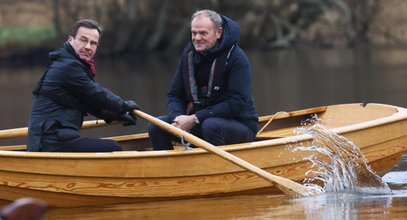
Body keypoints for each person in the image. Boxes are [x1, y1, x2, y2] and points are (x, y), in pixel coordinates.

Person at [148, 10, 258, 150]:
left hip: (239, 126)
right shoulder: (188, 56)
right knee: (157, 125)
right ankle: (168, 169)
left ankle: (218, 170)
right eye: (194, 33)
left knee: (211, 125)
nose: (197, 38)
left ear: (218, 32)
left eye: (203, 33)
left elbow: (238, 102)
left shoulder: (237, 59)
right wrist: (178, 119)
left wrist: (195, 118)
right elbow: (175, 95)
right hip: (199, 122)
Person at [27, 19, 139, 152]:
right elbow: (96, 93)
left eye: (93, 43)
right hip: (51, 141)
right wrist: (123, 105)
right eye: (83, 40)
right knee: (112, 148)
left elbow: (85, 103)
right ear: (70, 40)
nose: (88, 47)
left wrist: (114, 115)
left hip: (53, 139)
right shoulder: (67, 66)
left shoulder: (73, 63)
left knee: (111, 146)